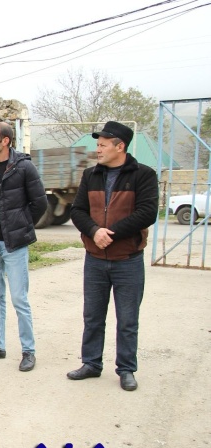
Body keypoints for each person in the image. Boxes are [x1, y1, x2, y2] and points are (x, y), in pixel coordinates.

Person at [67, 121, 158, 391]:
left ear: (120, 146)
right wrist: (95, 232)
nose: (98, 150)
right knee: (92, 316)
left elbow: (147, 213)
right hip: (94, 259)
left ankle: (126, 369)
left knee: (128, 319)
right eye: (98, 145)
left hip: (127, 259)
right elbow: (78, 211)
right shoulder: (90, 175)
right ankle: (92, 363)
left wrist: (112, 233)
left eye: (103, 145)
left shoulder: (143, 174)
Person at [0, 122, 47, 372]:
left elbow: (40, 203)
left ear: (5, 141)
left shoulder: (24, 167)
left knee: (19, 299)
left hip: (15, 244)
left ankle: (28, 351)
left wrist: (21, 227)